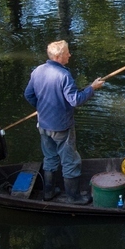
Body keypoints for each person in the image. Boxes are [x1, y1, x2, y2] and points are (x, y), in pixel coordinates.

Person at [24, 40, 105, 204]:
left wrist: (41, 108)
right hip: (61, 127)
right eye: (67, 52)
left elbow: (28, 94)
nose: (70, 54)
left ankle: (48, 192)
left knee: (50, 158)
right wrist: (92, 88)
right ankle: (73, 197)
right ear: (59, 56)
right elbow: (75, 100)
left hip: (44, 125)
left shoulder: (37, 71)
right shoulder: (64, 75)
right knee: (70, 161)